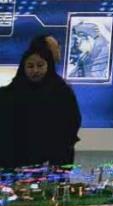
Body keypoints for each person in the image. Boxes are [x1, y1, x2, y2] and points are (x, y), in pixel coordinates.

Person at [2, 39, 81, 168]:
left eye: (40, 65)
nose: (35, 70)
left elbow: (72, 122)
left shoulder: (62, 92)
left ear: (48, 66)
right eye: (30, 66)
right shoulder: (10, 93)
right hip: (17, 160)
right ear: (23, 68)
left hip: (54, 159)